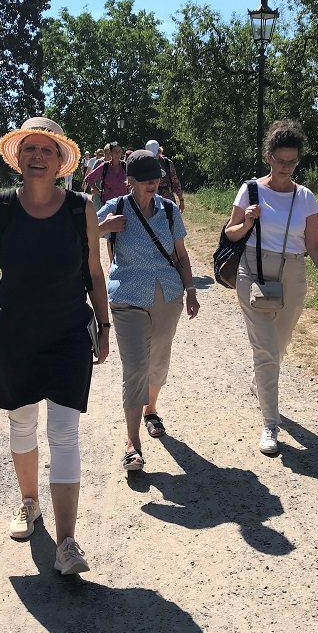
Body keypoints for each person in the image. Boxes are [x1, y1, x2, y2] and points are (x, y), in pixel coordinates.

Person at [0, 116, 111, 576]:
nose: (38, 157)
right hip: (16, 337)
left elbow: (93, 271)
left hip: (68, 334)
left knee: (64, 433)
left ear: (61, 161)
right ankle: (29, 504)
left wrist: (103, 325)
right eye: (30, 149)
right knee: (22, 424)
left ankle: (67, 542)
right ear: (19, 158)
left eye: (47, 150)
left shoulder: (80, 209)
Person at [223, 119, 318, 455]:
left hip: (293, 273)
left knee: (279, 344)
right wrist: (247, 221)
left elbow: (314, 244)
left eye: (292, 162)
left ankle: (262, 383)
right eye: (280, 160)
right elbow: (230, 233)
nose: (286, 168)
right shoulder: (250, 190)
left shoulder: (305, 197)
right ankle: (270, 425)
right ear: (268, 156)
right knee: (266, 348)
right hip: (253, 271)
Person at [97, 150, 200, 470]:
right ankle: (133, 444)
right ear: (129, 181)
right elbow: (82, 232)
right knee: (136, 368)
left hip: (168, 296)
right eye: (146, 180)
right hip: (127, 296)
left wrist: (192, 291)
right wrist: (105, 227)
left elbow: (181, 255)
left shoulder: (169, 212)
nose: (154, 184)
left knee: (158, 361)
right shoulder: (115, 208)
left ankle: (150, 411)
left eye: (157, 178)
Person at [145, 139, 185, 213]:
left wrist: (181, 200)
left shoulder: (167, 163)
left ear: (159, 150)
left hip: (168, 200)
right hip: (150, 203)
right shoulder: (143, 166)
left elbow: (175, 182)